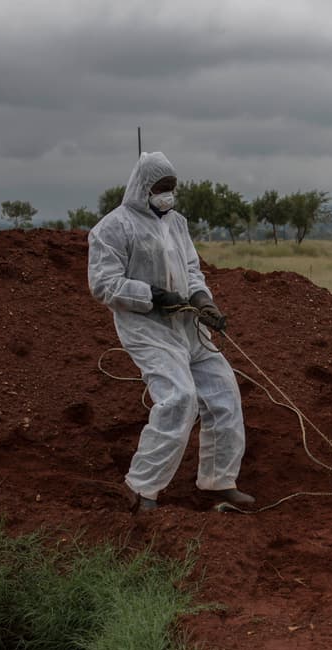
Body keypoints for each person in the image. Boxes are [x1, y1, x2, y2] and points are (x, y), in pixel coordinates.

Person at [87, 151, 253, 512]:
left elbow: (191, 268)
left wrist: (203, 300)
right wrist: (153, 296)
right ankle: (141, 488)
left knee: (224, 394)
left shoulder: (176, 223)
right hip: (148, 329)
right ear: (143, 187)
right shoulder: (113, 227)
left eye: (172, 188)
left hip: (188, 327)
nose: (168, 194)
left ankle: (218, 482)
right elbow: (103, 284)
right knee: (179, 398)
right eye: (161, 188)